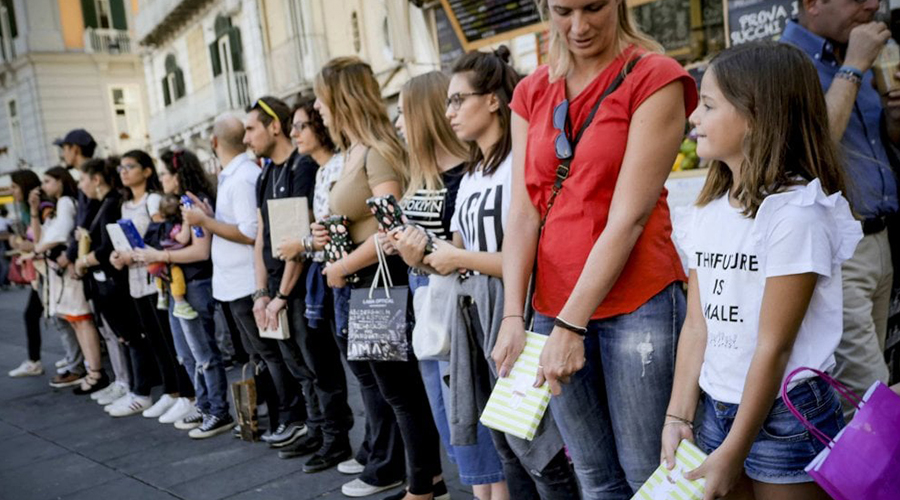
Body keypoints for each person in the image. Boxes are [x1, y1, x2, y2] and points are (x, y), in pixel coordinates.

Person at [497, 0, 698, 496]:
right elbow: (523, 213)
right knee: (593, 476)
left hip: (639, 299)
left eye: (594, 7)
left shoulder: (654, 76)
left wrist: (571, 323)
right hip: (551, 305)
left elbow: (628, 217)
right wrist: (512, 317)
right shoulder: (530, 91)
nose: (579, 26)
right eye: (564, 10)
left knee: (649, 475)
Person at [662, 41, 861, 499]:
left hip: (786, 414)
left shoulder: (796, 215)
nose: (693, 117)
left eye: (708, 105)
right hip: (715, 405)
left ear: (756, 117)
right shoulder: (708, 209)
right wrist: (679, 415)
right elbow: (698, 325)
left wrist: (735, 449)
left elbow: (774, 346)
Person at [315, 57, 446, 500]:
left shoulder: (377, 150)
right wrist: (327, 236)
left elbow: (392, 229)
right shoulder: (354, 151)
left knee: (401, 393)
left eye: (321, 97)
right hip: (360, 285)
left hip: (381, 282)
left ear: (340, 99)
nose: (316, 107)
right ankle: (427, 480)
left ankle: (421, 486)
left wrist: (343, 264)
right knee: (389, 391)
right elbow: (359, 221)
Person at [388, 71, 508, 500]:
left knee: (480, 430)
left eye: (404, 113)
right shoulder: (421, 172)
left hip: (466, 303)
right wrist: (405, 246)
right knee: (456, 427)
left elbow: (467, 250)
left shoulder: (471, 173)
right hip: (430, 305)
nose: (399, 124)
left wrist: (427, 252)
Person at [780, 0, 897, 420]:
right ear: (813, 4)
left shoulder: (859, 50)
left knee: (863, 393)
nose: (873, 5)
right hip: (838, 254)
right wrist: (853, 67)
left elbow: (880, 146)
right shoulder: (787, 63)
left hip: (880, 243)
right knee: (870, 397)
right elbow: (815, 147)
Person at [181, 112, 305, 443]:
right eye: (246, 131)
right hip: (234, 281)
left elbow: (252, 233)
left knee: (271, 355)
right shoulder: (233, 175)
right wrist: (208, 217)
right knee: (260, 356)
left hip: (247, 282)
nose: (250, 138)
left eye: (253, 129)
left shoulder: (242, 177)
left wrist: (205, 223)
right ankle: (279, 416)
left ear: (215, 141)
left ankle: (291, 417)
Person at [245, 96, 353, 468]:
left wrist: (281, 294)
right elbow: (263, 236)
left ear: (273, 126)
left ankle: (334, 435)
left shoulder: (302, 168)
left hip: (303, 282)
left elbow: (299, 241)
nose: (247, 138)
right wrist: (262, 292)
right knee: (299, 366)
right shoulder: (265, 174)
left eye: (251, 128)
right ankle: (316, 428)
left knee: (320, 366)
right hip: (279, 287)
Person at [135, 149, 235, 439]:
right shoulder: (179, 204)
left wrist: (160, 255)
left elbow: (200, 250)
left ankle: (218, 409)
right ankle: (204, 405)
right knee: (186, 354)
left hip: (194, 284)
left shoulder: (193, 203)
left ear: (178, 175)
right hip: (178, 285)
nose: (161, 178)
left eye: (165, 173)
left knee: (203, 352)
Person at [108, 150, 196, 420]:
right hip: (135, 278)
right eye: (121, 167)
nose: (124, 171)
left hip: (157, 278)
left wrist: (132, 254)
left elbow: (163, 238)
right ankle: (171, 392)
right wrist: (118, 255)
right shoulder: (125, 204)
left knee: (171, 340)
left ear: (147, 171)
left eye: (130, 166)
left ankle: (186, 394)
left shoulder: (154, 200)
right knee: (155, 339)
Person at [53, 129, 98, 386]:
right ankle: (101, 374)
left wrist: (71, 255)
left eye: (65, 147)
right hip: (85, 258)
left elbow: (87, 222)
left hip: (94, 258)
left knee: (114, 330)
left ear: (75, 149)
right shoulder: (82, 179)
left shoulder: (91, 178)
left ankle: (101, 375)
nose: (62, 153)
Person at [6, 171, 53, 378]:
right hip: (40, 270)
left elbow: (38, 241)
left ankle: (80, 363)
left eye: (14, 187)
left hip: (47, 269)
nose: (12, 191)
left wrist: (18, 242)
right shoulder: (27, 209)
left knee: (62, 318)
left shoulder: (39, 207)